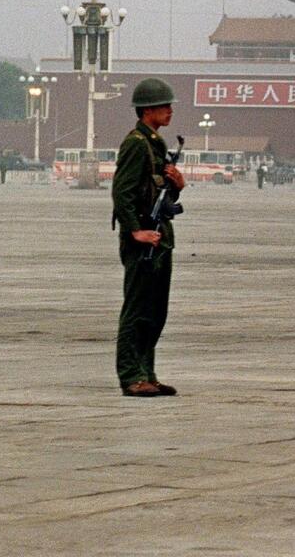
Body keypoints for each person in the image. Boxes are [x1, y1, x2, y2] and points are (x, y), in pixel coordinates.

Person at [111, 78, 187, 397]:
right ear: (148, 110)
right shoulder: (136, 144)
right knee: (138, 309)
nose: (170, 111)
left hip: (159, 237)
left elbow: (158, 194)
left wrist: (179, 185)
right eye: (164, 105)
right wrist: (134, 231)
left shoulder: (156, 146)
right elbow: (122, 192)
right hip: (142, 240)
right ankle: (130, 375)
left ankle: (147, 372)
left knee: (156, 311)